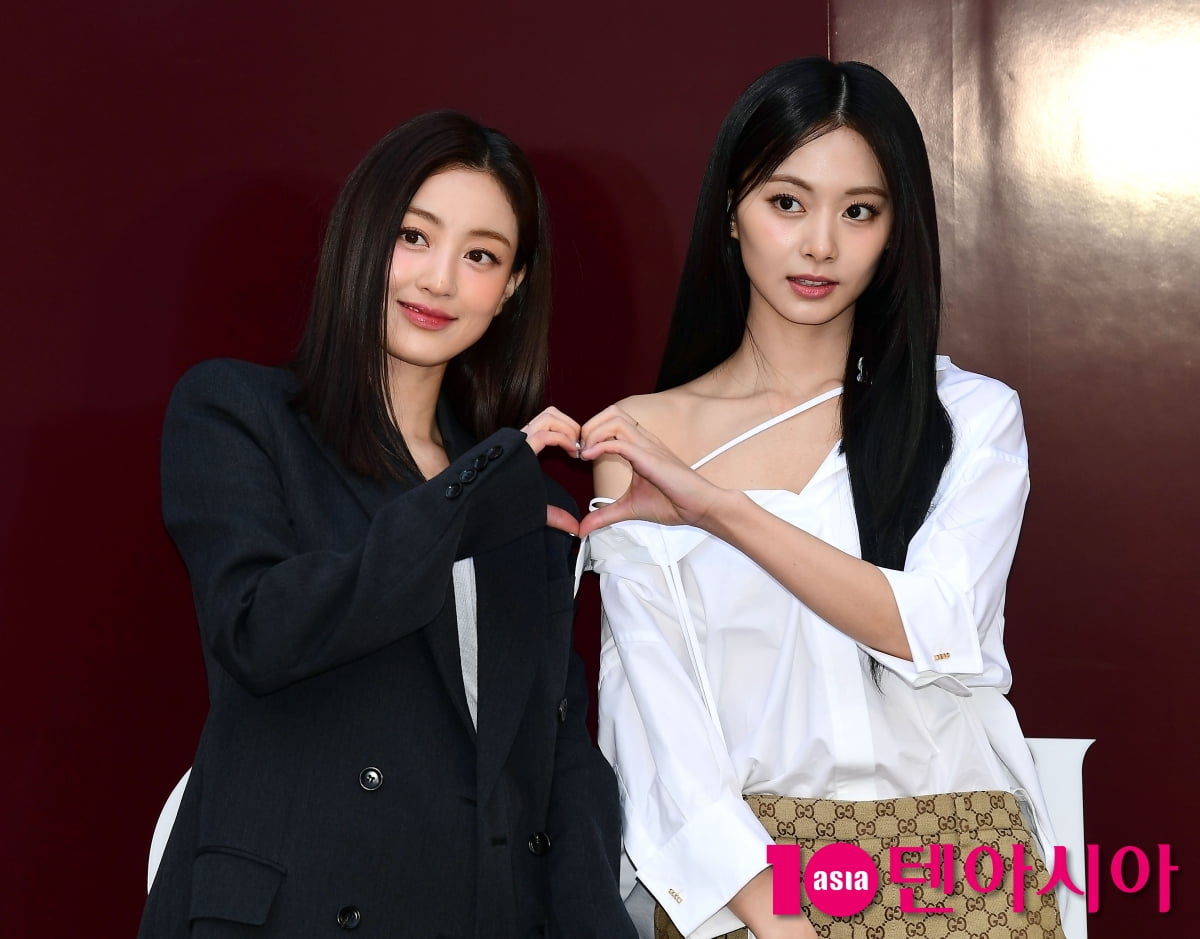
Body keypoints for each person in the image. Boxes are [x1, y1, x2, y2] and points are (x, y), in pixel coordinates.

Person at [577, 59, 1071, 939]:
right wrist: (778, 919)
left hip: (953, 866)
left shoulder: (969, 416)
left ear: (896, 228)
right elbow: (654, 725)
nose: (820, 246)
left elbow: (937, 627)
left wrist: (720, 508)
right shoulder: (640, 440)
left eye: (859, 211)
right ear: (733, 209)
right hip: (749, 890)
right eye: (787, 202)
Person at [139, 111, 635, 938]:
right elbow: (261, 629)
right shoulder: (237, 411)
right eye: (414, 236)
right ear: (361, 236)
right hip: (290, 913)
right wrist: (468, 494)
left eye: (481, 256)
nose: (439, 280)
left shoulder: (519, 493)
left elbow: (554, 760)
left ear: (512, 287)